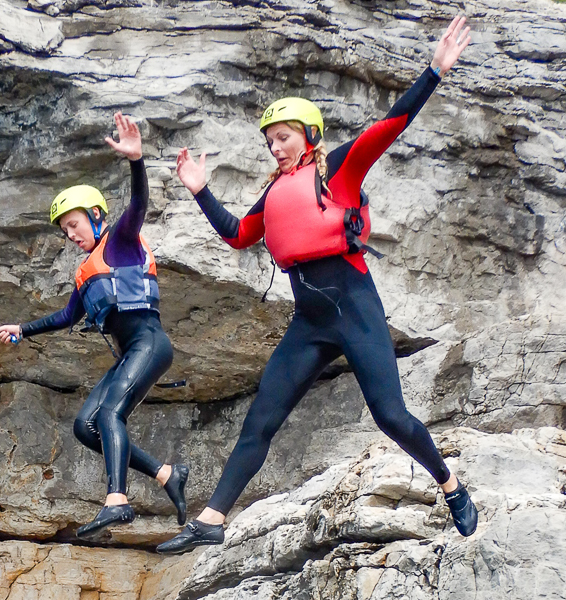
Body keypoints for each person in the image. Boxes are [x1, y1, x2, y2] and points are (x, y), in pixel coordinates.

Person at [157, 15, 478, 554]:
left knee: (391, 416)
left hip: (353, 306)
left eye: (282, 138)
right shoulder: (275, 192)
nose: (275, 147)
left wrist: (435, 71)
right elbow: (239, 236)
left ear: (308, 136)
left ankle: (450, 484)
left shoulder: (337, 171)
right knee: (262, 418)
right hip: (309, 320)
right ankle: (212, 518)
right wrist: (200, 191)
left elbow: (391, 125)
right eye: (268, 142)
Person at [0, 112, 189, 539]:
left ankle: (116, 501)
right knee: (87, 426)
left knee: (112, 413)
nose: (71, 234)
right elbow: (67, 317)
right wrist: (20, 329)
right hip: (128, 356)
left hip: (151, 343)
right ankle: (166, 474)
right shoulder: (87, 272)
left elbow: (138, 205)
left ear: (96, 215)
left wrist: (136, 161)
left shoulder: (120, 241)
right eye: (65, 231)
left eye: (74, 224)